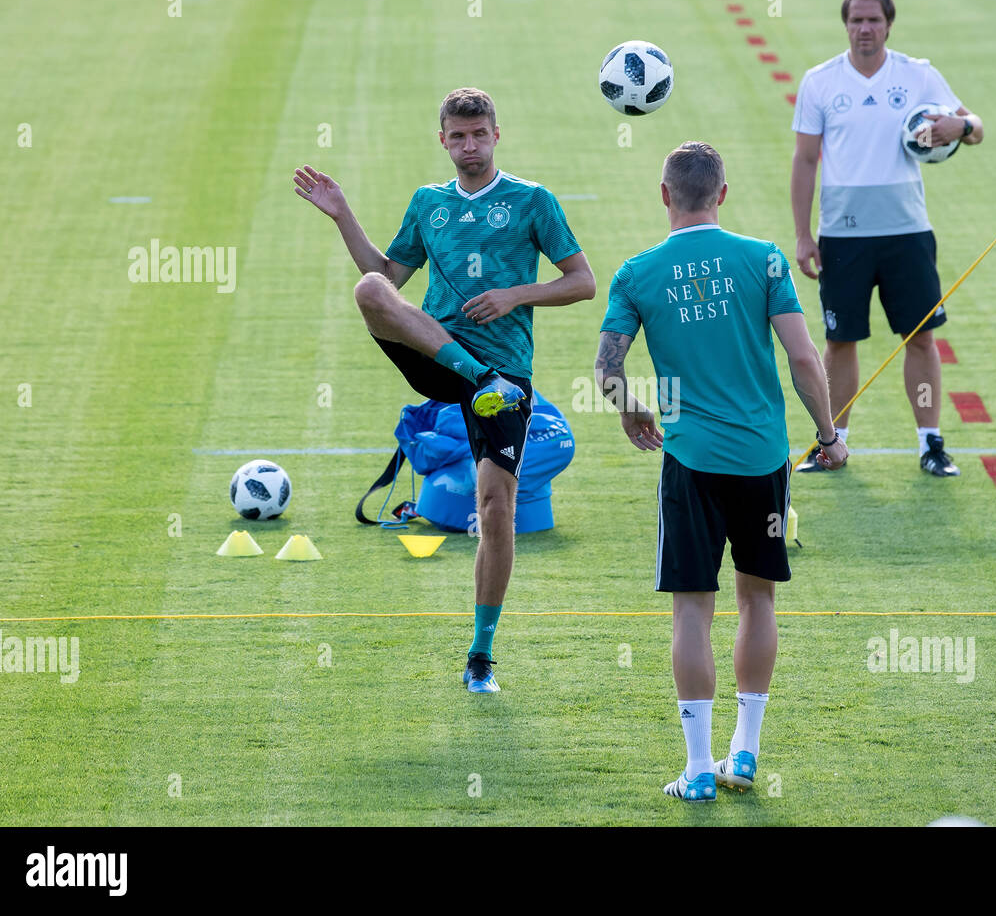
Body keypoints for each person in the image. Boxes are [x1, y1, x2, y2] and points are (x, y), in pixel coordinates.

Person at [295, 87, 595, 694]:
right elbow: (387, 275)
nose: (469, 146)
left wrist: (515, 295)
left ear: (496, 134)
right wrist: (342, 213)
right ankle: (475, 378)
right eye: (457, 137)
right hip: (445, 361)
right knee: (370, 292)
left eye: (478, 134)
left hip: (506, 370)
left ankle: (480, 655)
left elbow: (583, 282)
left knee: (495, 509)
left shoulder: (533, 200)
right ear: (442, 141)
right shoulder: (428, 203)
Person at [595, 141, 847, 802]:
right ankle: (747, 750)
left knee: (691, 611)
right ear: (723, 194)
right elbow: (803, 359)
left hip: (690, 461)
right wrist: (828, 435)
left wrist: (631, 412)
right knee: (757, 599)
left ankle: (699, 767)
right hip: (763, 458)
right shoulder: (762, 259)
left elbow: (607, 369)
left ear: (664, 194)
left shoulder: (637, 273)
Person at [790, 0, 983, 477]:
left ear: (889, 24)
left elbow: (975, 127)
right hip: (843, 234)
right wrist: (803, 235)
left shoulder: (919, 76)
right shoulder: (820, 81)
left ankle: (931, 442)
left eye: (874, 20)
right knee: (840, 342)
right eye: (856, 20)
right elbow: (805, 161)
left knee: (919, 337)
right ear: (846, 25)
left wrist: (956, 128)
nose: (865, 29)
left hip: (906, 233)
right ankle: (834, 443)